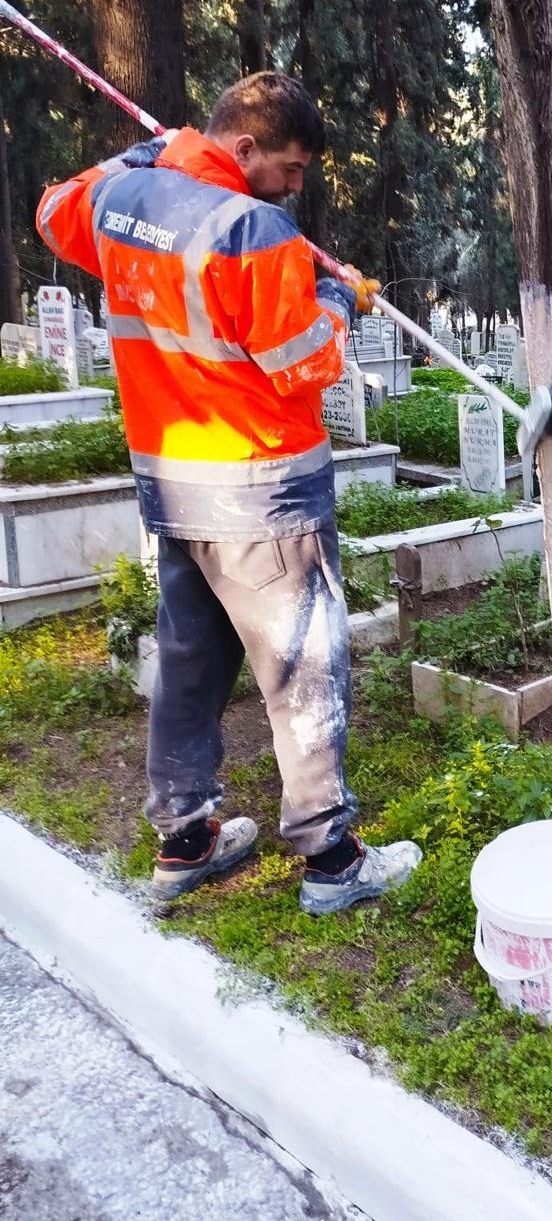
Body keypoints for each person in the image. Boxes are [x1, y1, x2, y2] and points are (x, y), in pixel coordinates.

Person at [37, 72, 421, 914]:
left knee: (189, 662)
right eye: (287, 167)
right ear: (242, 148)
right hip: (262, 493)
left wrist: (140, 154)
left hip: (175, 490)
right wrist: (337, 298)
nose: (295, 186)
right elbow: (302, 367)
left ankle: (186, 841)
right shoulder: (256, 231)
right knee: (303, 673)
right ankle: (331, 860)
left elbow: (52, 208)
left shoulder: (120, 199)